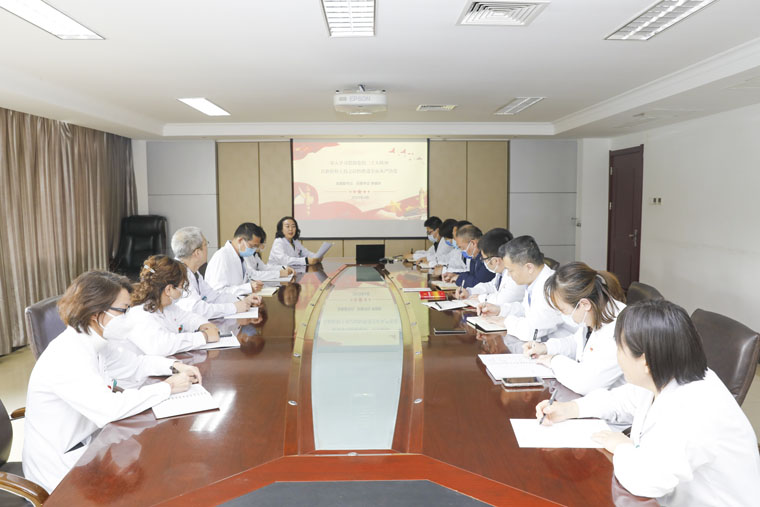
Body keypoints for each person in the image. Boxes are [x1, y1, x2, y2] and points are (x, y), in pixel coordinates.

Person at [536, 300, 760, 506]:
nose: (618, 358)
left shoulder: (696, 407)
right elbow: (622, 400)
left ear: (644, 360)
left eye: (620, 349)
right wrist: (571, 408)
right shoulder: (667, 374)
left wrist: (620, 446)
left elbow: (646, 480)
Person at [22, 271, 201, 493]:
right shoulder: (67, 355)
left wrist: (174, 366)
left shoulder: (96, 341)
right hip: (60, 470)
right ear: (95, 313)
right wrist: (169, 386)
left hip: (91, 447)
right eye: (123, 311)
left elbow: (136, 364)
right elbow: (110, 409)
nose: (128, 318)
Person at [522, 262, 626, 394]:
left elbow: (587, 383)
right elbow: (577, 343)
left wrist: (554, 360)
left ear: (584, 304)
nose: (562, 315)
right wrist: (545, 347)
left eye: (564, 310)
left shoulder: (619, 328)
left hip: (614, 402)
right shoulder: (595, 311)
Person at [119, 255, 220, 356]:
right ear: (169, 289)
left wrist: (204, 325)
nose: (182, 291)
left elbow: (189, 318)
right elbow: (161, 346)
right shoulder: (140, 313)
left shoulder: (167, 307)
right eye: (181, 286)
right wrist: (204, 336)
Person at [479, 236, 574, 341]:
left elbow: (532, 331)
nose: (509, 275)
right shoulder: (534, 281)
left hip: (558, 345)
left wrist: (506, 322)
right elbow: (525, 309)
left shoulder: (550, 288)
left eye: (510, 270)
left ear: (529, 267)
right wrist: (499, 310)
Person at [171, 226, 261, 320]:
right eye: (205, 244)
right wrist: (234, 307)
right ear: (197, 253)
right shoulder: (178, 275)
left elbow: (213, 297)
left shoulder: (193, 272)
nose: (207, 248)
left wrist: (243, 300)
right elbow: (197, 309)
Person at [206, 222, 292, 295]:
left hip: (238, 302)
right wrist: (248, 288)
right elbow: (217, 292)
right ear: (240, 240)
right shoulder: (222, 257)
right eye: (252, 246)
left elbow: (251, 274)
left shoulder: (240, 256)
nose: (254, 250)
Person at [454, 228, 524, 309]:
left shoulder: (516, 274)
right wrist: (469, 292)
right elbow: (491, 286)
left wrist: (480, 297)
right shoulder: (501, 271)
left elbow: (502, 300)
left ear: (495, 261)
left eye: (484, 259)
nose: (483, 262)